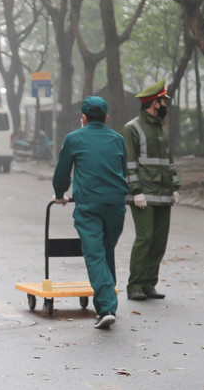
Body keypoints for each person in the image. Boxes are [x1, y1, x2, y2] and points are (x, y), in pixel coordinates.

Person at [52, 96, 128, 329]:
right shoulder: (117, 139)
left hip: (89, 205)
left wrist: (59, 193)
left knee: (95, 254)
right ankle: (108, 304)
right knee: (106, 251)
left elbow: (62, 172)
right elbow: (122, 169)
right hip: (116, 205)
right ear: (105, 117)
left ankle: (105, 307)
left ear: (83, 118)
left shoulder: (74, 138)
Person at [123, 79, 180, 301]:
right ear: (155, 103)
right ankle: (135, 285)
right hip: (143, 195)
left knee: (159, 241)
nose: (166, 104)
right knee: (144, 238)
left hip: (163, 193)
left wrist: (175, 185)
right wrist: (135, 191)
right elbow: (130, 162)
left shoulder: (161, 127)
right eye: (164, 100)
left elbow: (168, 159)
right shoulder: (132, 128)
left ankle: (149, 283)